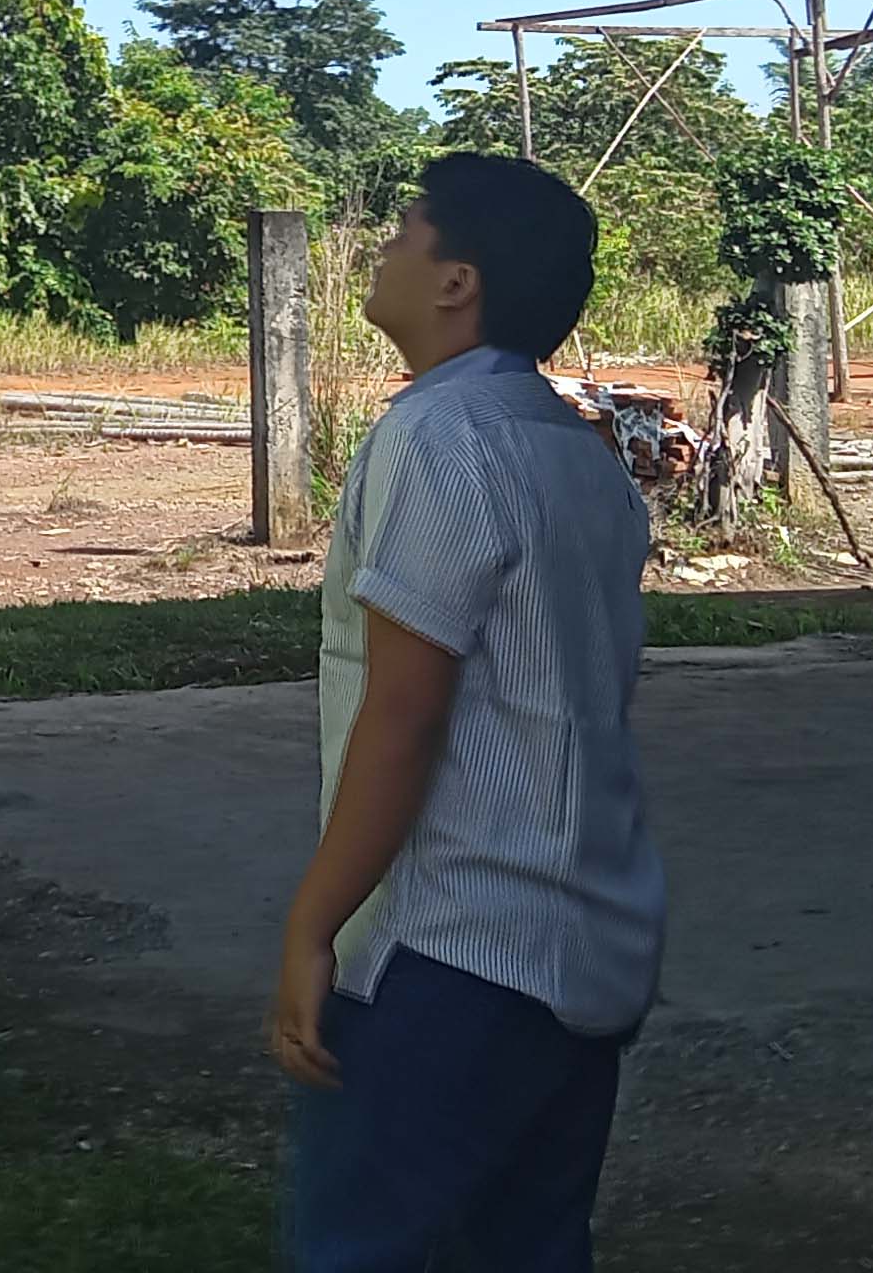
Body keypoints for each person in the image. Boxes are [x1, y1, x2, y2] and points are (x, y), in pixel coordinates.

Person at [267, 152, 665, 1273]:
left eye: (401, 233)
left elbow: (404, 711)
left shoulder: (437, 437)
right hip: (580, 939)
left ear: (456, 281)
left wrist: (310, 924)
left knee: (364, 1247)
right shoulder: (574, 453)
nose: (379, 251)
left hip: (451, 948)